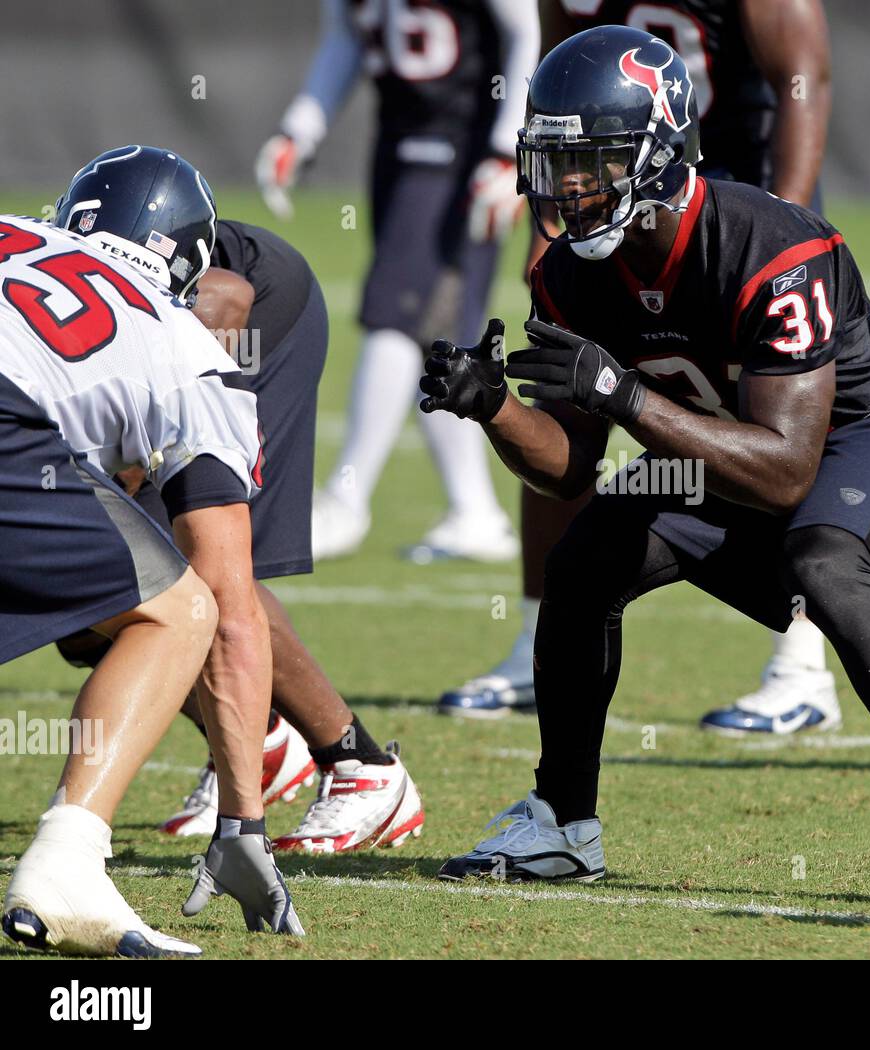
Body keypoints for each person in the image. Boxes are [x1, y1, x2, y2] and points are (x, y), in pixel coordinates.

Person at [419, 29, 870, 910]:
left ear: (660, 155)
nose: (569, 187)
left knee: (824, 562)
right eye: (557, 163)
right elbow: (566, 472)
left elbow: (784, 473)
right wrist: (495, 409)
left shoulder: (767, 246)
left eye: (593, 162)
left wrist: (625, 397)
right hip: (738, 434)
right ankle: (561, 823)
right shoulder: (570, 275)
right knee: (584, 561)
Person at [437, 0, 842, 737]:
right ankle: (537, 633)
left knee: (775, 427)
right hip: (605, 174)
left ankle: (801, 662)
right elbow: (556, 76)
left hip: (726, 187)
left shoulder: (761, 236)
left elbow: (801, 76)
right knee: (563, 379)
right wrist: (551, 223)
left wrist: (776, 219)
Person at [0, 146, 302, 956]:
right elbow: (231, 606)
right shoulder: (183, 344)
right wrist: (243, 817)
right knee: (181, 610)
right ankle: (69, 861)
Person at [57, 218, 424, 852]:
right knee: (83, 597)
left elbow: (224, 293)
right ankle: (258, 747)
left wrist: (156, 443)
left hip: (257, 311)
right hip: (168, 323)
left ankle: (363, 767)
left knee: (197, 561)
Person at [257, 0, 539, 563]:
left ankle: (347, 496)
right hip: (398, 146)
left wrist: (509, 147)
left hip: (466, 149)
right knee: (434, 337)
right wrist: (302, 129)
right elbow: (345, 40)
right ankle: (475, 511)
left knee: (395, 317)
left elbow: (526, 30)